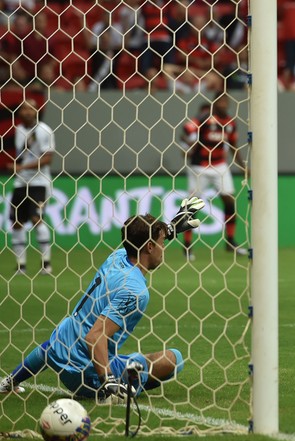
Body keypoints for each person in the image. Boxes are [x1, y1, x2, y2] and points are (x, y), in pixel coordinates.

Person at [0, 198, 205, 400]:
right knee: (173, 359)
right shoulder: (136, 291)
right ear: (150, 247)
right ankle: (117, 387)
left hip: (60, 347)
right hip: (88, 373)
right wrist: (107, 381)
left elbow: (138, 236)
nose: (164, 249)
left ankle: (9, 381)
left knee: (59, 340)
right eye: (161, 243)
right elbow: (95, 337)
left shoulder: (116, 257)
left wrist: (169, 229)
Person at [180, 93, 248, 259]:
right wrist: (193, 139)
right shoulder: (205, 119)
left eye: (226, 101)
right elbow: (186, 128)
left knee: (230, 201)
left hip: (219, 166)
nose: (223, 104)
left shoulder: (231, 123)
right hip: (199, 167)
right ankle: (187, 245)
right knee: (192, 206)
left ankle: (230, 241)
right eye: (220, 101)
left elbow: (233, 145)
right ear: (214, 103)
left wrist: (242, 166)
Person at [9, 98, 55, 276]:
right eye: (24, 109)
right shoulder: (19, 130)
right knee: (17, 222)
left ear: (37, 111)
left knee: (37, 218)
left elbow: (47, 159)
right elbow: (22, 155)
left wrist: (21, 167)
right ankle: (21, 265)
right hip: (21, 182)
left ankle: (46, 264)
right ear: (19, 112)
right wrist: (18, 168)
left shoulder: (44, 130)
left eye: (31, 108)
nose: (27, 112)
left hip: (39, 182)